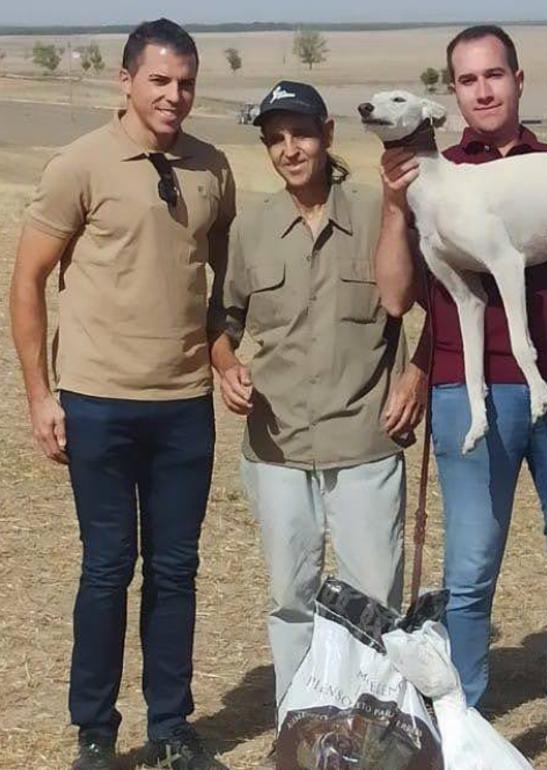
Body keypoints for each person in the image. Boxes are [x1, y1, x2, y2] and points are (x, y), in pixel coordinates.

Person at [372, 24, 547, 770]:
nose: (482, 91)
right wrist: (392, 206)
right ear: (450, 94)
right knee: (470, 571)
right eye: (467, 79)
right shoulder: (431, 177)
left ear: (519, 79)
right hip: (471, 391)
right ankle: (465, 725)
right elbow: (397, 297)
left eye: (494, 75)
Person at [9, 19, 233, 770]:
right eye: (159, 80)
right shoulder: (81, 164)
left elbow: (222, 282)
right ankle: (96, 733)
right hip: (98, 401)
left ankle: (170, 727)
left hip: (184, 405)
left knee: (176, 568)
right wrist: (40, 395)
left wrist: (223, 356)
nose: (174, 95)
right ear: (126, 80)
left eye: (186, 82)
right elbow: (28, 279)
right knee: (107, 567)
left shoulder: (212, 167)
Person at [210, 81, 425, 725]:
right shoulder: (251, 228)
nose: (290, 149)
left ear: (327, 134)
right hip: (277, 447)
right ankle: (298, 725)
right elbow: (223, 319)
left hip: (364, 440)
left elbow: (439, 303)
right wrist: (226, 365)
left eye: (301, 134)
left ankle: (370, 727)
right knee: (290, 597)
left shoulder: (382, 212)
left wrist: (417, 373)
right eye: (276, 139)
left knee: (372, 600)